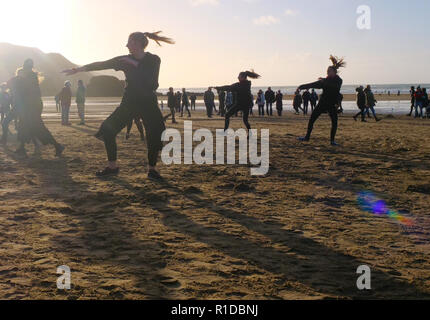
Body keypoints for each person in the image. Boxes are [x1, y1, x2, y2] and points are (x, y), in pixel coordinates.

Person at [63, 31, 174, 178]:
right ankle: (112, 167)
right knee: (108, 130)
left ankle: (152, 169)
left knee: (153, 136)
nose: (126, 45)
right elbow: (102, 64)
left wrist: (132, 65)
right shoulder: (124, 60)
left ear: (138, 43)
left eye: (129, 42)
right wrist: (78, 69)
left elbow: (151, 81)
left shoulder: (154, 59)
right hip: (129, 102)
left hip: (148, 102)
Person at [15, 59, 64, 157]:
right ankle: (22, 147)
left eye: (26, 67)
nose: (25, 68)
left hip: (33, 105)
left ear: (28, 67)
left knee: (38, 127)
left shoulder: (30, 77)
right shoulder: (29, 76)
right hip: (31, 105)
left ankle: (57, 146)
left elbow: (29, 93)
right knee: (24, 125)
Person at [297, 55, 346, 146]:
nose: (327, 72)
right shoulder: (325, 81)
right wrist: (301, 86)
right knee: (312, 119)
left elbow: (334, 87)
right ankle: (307, 137)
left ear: (334, 72)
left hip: (332, 104)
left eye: (329, 71)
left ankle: (332, 141)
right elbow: (313, 84)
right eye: (327, 71)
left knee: (334, 122)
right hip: (322, 103)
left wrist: (324, 81)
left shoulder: (338, 81)